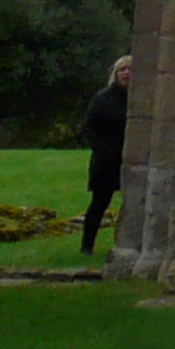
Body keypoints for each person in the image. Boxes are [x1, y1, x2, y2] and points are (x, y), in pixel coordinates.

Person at [78, 54, 130, 255]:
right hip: (106, 160)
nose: (126, 73)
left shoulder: (144, 99)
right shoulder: (103, 99)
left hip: (133, 159)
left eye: (130, 69)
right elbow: (89, 127)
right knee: (99, 203)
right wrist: (103, 149)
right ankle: (86, 246)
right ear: (115, 74)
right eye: (121, 69)